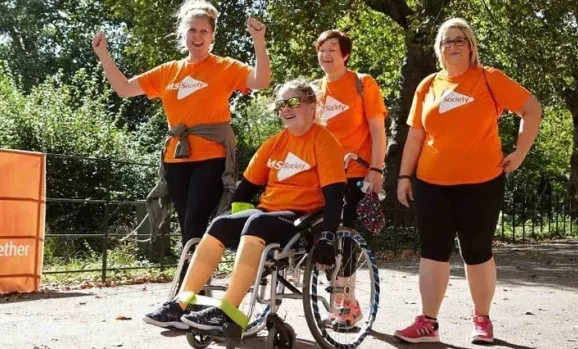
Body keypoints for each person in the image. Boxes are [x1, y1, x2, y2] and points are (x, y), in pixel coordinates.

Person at [142, 78, 347, 331]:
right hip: (267, 216)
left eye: (293, 102)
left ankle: (227, 311)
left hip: (302, 220)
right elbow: (244, 191)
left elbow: (335, 197)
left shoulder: (324, 142)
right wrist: (240, 222)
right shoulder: (274, 143)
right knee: (220, 224)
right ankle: (180, 304)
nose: (285, 108)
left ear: (312, 106)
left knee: (258, 221)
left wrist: (327, 237)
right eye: (281, 104)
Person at [394, 18, 542, 344]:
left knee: (476, 252)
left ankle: (482, 320)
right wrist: (404, 176)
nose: (454, 45)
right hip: (431, 184)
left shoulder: (489, 79)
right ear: (440, 47)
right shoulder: (428, 85)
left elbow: (531, 109)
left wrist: (519, 153)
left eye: (460, 39)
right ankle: (428, 323)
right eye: (448, 40)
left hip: (482, 184)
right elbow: (416, 136)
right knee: (433, 253)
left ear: (471, 45)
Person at [91, 0, 271, 259]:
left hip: (211, 156)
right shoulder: (168, 71)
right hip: (177, 157)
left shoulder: (225, 66)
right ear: (183, 33)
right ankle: (193, 288)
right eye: (192, 30)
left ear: (212, 36)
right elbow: (124, 89)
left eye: (203, 31)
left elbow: (261, 81)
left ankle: (188, 290)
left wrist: (258, 40)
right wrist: (103, 55)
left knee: (194, 221)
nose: (197, 36)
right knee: (187, 222)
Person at [312, 29, 388, 330]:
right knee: (323, 237)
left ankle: (346, 305)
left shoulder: (362, 84)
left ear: (345, 54)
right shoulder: (315, 91)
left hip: (357, 173)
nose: (326, 54)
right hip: (322, 176)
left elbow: (378, 130)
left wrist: (377, 170)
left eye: (333, 49)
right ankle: (340, 302)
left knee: (344, 236)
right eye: (321, 49)